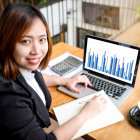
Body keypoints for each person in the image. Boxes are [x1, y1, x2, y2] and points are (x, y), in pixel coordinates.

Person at [0, 3, 106, 140]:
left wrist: (65, 81)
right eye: (26, 41)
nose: (36, 50)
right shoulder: (9, 97)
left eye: (42, 39)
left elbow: (29, 79)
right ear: (7, 42)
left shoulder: (15, 65)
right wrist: (86, 114)